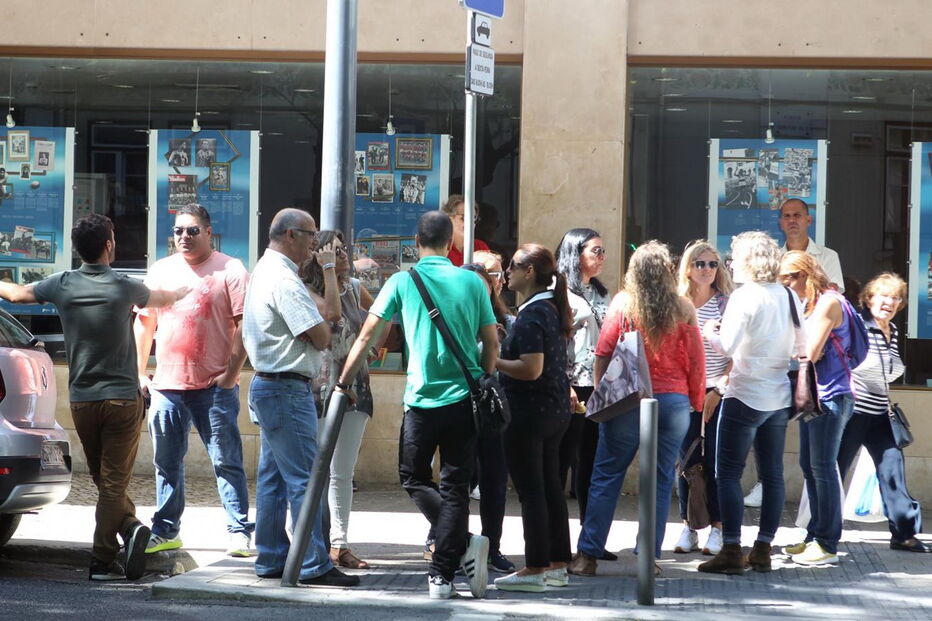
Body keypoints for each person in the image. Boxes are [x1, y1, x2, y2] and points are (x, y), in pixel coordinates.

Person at [0, 213, 188, 581]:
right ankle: (102, 560)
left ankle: (132, 528)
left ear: (76, 248)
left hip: (83, 401)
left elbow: (17, 293)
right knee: (113, 482)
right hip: (121, 400)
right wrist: (182, 292)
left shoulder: (63, 284)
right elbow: (163, 298)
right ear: (108, 245)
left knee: (105, 480)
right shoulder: (123, 286)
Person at [334, 211, 499, 599]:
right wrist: (485, 378)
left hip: (422, 401)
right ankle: (442, 575)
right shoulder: (472, 282)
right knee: (456, 487)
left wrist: (343, 381)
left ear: (416, 241)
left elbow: (366, 335)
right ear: (450, 240)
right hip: (465, 400)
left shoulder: (402, 281)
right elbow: (491, 341)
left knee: (412, 477)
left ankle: (458, 543)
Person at [569, 241, 704, 576]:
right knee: (659, 479)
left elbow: (603, 351)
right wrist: (696, 403)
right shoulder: (683, 307)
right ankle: (648, 559)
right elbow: (696, 363)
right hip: (672, 402)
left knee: (606, 474)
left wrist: (603, 394)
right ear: (668, 271)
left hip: (629, 399)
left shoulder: (624, 304)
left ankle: (587, 555)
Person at [242, 208, 359, 587]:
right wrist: (323, 324)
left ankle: (273, 557)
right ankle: (313, 563)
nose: (314, 244)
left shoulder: (268, 270)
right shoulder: (283, 278)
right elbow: (322, 335)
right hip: (285, 386)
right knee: (306, 480)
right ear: (290, 235)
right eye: (310, 235)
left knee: (275, 479)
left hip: (273, 384)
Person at [134, 204, 253, 557]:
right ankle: (166, 529)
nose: (184, 237)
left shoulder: (231, 269)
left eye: (192, 230)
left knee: (226, 461)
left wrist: (231, 374)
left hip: (213, 388)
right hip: (167, 385)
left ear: (208, 231)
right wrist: (140, 371)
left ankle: (238, 530)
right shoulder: (160, 271)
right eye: (178, 231)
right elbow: (144, 323)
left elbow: (245, 325)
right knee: (166, 463)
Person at [698, 231, 800, 575]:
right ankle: (763, 548)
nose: (729, 262)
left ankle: (730, 548)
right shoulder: (788, 295)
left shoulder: (745, 296)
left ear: (747, 260)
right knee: (772, 475)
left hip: (745, 393)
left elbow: (726, 345)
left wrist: (711, 330)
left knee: (727, 473)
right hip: (778, 397)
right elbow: (798, 345)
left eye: (733, 256)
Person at [492, 244, 573, 592]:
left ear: (529, 273)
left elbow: (531, 368)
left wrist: (493, 361)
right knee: (550, 486)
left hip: (529, 412)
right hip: (553, 411)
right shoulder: (548, 309)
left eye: (513, 266)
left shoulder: (532, 314)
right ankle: (556, 564)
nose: (507, 272)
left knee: (531, 491)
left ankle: (536, 566)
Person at [837, 273, 931, 553]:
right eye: (883, 296)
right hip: (854, 411)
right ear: (869, 298)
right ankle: (818, 531)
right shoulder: (858, 326)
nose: (889, 302)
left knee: (893, 470)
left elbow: (889, 372)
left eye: (896, 298)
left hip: (880, 413)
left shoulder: (892, 330)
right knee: (835, 470)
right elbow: (855, 365)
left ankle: (904, 534)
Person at [299, 230, 376, 570]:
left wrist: (371, 348)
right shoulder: (305, 290)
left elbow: (380, 318)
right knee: (315, 469)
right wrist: (329, 270)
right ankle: (308, 538)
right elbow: (331, 316)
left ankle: (339, 544)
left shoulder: (357, 289)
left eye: (344, 249)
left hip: (355, 385)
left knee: (342, 472)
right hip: (320, 387)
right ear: (316, 256)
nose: (343, 255)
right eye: (333, 251)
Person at [779, 251, 856, 566]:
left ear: (803, 275)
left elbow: (810, 352)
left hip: (832, 395)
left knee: (824, 468)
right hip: (817, 394)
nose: (784, 286)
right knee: (811, 466)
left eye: (787, 279)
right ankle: (813, 535)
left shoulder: (828, 302)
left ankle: (827, 542)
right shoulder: (812, 304)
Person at [673, 240, 734, 557]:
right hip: (683, 391)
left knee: (716, 462)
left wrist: (720, 387)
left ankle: (718, 528)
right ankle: (688, 525)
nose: (708, 270)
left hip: (719, 391)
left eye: (713, 264)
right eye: (701, 264)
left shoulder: (727, 303)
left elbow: (738, 354)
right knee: (687, 463)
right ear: (688, 267)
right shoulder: (677, 303)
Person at [460, 262, 515, 574]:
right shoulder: (456, 317)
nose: (480, 290)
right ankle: (454, 543)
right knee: (459, 481)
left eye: (485, 285)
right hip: (460, 406)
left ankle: (492, 547)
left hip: (493, 408)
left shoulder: (507, 321)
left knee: (494, 482)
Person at [554, 228, 609, 534]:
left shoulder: (602, 292)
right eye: (595, 251)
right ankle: (556, 538)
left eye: (603, 251)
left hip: (598, 385)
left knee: (590, 460)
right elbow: (556, 342)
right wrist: (566, 385)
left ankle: (591, 536)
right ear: (576, 254)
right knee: (563, 459)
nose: (601, 257)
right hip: (570, 385)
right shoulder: (558, 290)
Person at [779, 198, 844, 292]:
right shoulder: (773, 260)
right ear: (781, 224)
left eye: (797, 215)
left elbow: (833, 294)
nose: (792, 220)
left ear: (808, 220)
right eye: (787, 216)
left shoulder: (828, 256)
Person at [441, 194, 489, 266]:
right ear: (449, 218)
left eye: (474, 218)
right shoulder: (440, 247)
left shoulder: (480, 247)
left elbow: (489, 275)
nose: (470, 223)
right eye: (464, 217)